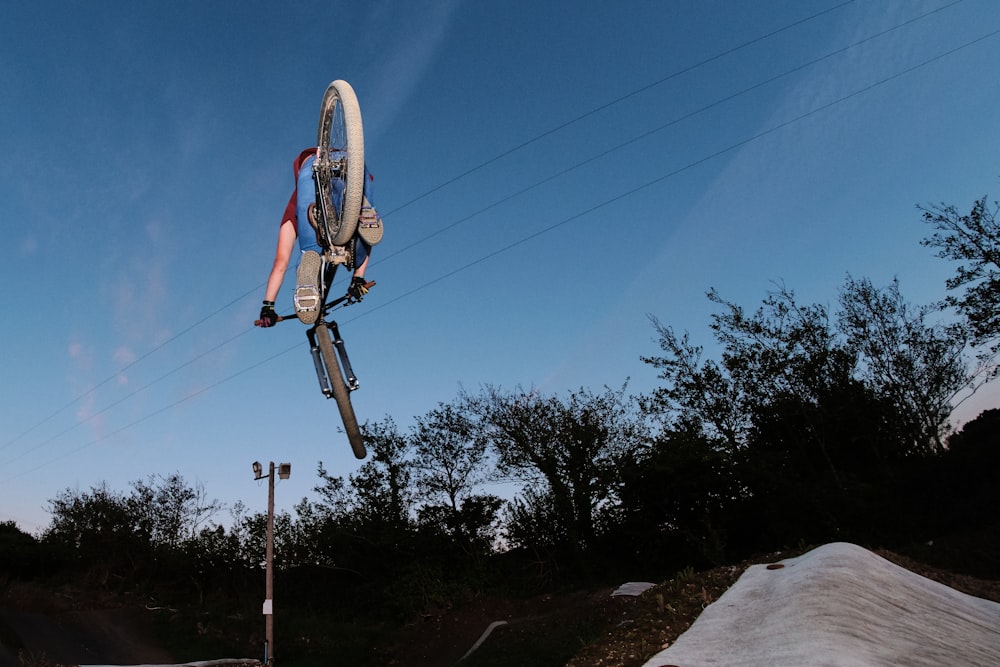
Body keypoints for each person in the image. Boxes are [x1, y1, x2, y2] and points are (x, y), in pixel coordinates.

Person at [258, 148, 382, 327]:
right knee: (359, 241)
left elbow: (280, 263)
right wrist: (358, 279)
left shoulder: (295, 202)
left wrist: (268, 306)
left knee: (311, 248)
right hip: (353, 163)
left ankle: (310, 257)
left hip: (311, 169)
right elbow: (369, 238)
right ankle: (362, 206)